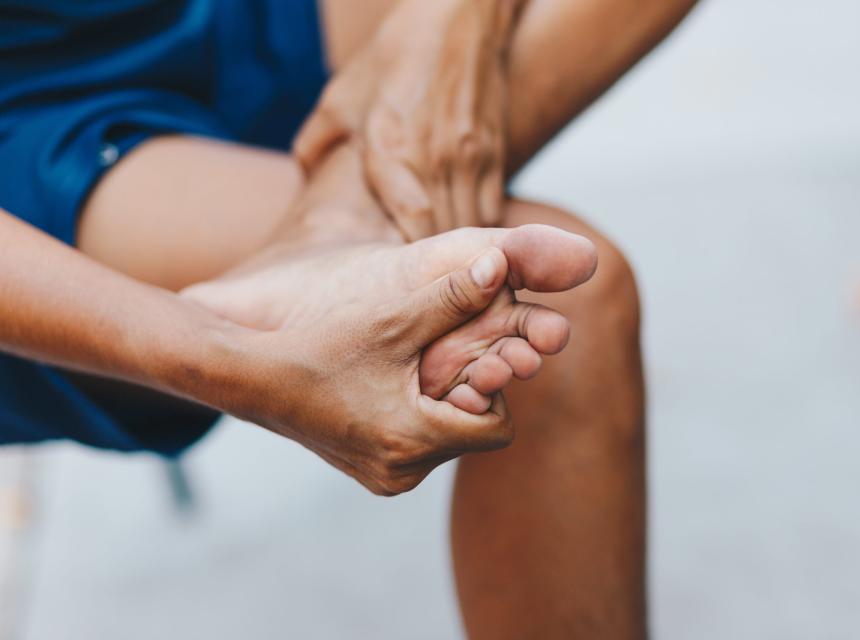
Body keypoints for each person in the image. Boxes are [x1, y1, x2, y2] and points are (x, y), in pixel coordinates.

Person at [0, 0, 697, 637]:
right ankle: (344, 224)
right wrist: (217, 356)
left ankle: (343, 215)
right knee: (546, 310)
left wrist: (452, 21)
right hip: (23, 125)